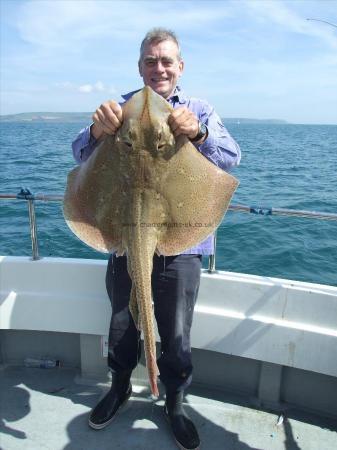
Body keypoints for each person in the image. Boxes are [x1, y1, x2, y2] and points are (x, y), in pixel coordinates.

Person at [72, 28, 241, 450]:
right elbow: (77, 154)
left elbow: (231, 158)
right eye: (151, 60)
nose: (159, 68)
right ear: (140, 66)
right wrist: (97, 132)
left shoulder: (199, 108)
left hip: (182, 239)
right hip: (125, 237)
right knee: (122, 323)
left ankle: (175, 403)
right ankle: (120, 386)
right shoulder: (118, 110)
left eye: (167, 61)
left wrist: (197, 133)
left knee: (176, 332)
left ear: (179, 67)